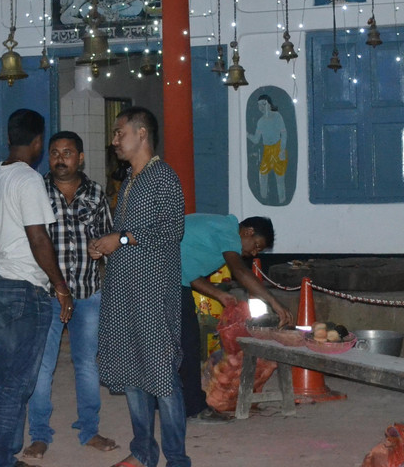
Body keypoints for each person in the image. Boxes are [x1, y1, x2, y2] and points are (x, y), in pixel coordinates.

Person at [89, 107, 190, 467]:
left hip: (152, 295)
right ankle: (144, 453)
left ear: (142, 134)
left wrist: (124, 238)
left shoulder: (163, 176)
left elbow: (171, 231)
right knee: (132, 371)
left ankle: (177, 459)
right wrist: (106, 243)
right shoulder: (130, 179)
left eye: (120, 133)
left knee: (162, 376)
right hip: (123, 293)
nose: (115, 140)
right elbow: (128, 237)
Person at [0, 109, 74, 467]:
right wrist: (60, 286)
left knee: (4, 376)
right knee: (16, 382)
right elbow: (38, 237)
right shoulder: (28, 179)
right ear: (36, 142)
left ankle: (1, 453)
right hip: (25, 289)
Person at [22, 131, 118, 460]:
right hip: (47, 294)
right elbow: (27, 242)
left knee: (87, 366)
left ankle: (89, 430)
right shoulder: (35, 190)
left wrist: (100, 250)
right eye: (54, 153)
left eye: (67, 152)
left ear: (80, 158)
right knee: (42, 366)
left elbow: (108, 240)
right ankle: (39, 434)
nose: (60, 158)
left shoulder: (95, 192)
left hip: (88, 294)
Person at [178, 214, 295, 419]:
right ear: (247, 232)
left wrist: (220, 295)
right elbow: (239, 271)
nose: (253, 252)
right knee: (188, 343)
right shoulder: (228, 229)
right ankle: (195, 409)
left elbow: (191, 275)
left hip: (166, 276)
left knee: (170, 345)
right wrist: (275, 303)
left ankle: (164, 401)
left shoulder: (216, 235)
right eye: (256, 245)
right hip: (162, 278)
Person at [246, 95, 289, 204]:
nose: (261, 107)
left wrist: (282, 150)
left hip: (278, 148)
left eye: (264, 104)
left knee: (280, 178)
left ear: (269, 104)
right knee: (262, 174)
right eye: (259, 105)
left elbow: (284, 133)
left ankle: (282, 200)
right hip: (267, 151)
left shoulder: (277, 116)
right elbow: (256, 139)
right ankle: (263, 199)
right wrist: (246, 134)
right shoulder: (260, 121)